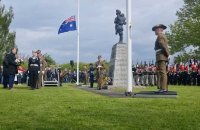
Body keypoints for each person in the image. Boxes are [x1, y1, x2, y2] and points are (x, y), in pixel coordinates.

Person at [153, 24, 170, 93]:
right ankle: (162, 88)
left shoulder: (160, 36)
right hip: (161, 56)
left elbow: (163, 46)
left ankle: (163, 88)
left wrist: (167, 54)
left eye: (155, 30)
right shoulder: (161, 36)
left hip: (161, 56)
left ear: (159, 30)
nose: (155, 32)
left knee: (162, 72)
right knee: (161, 72)